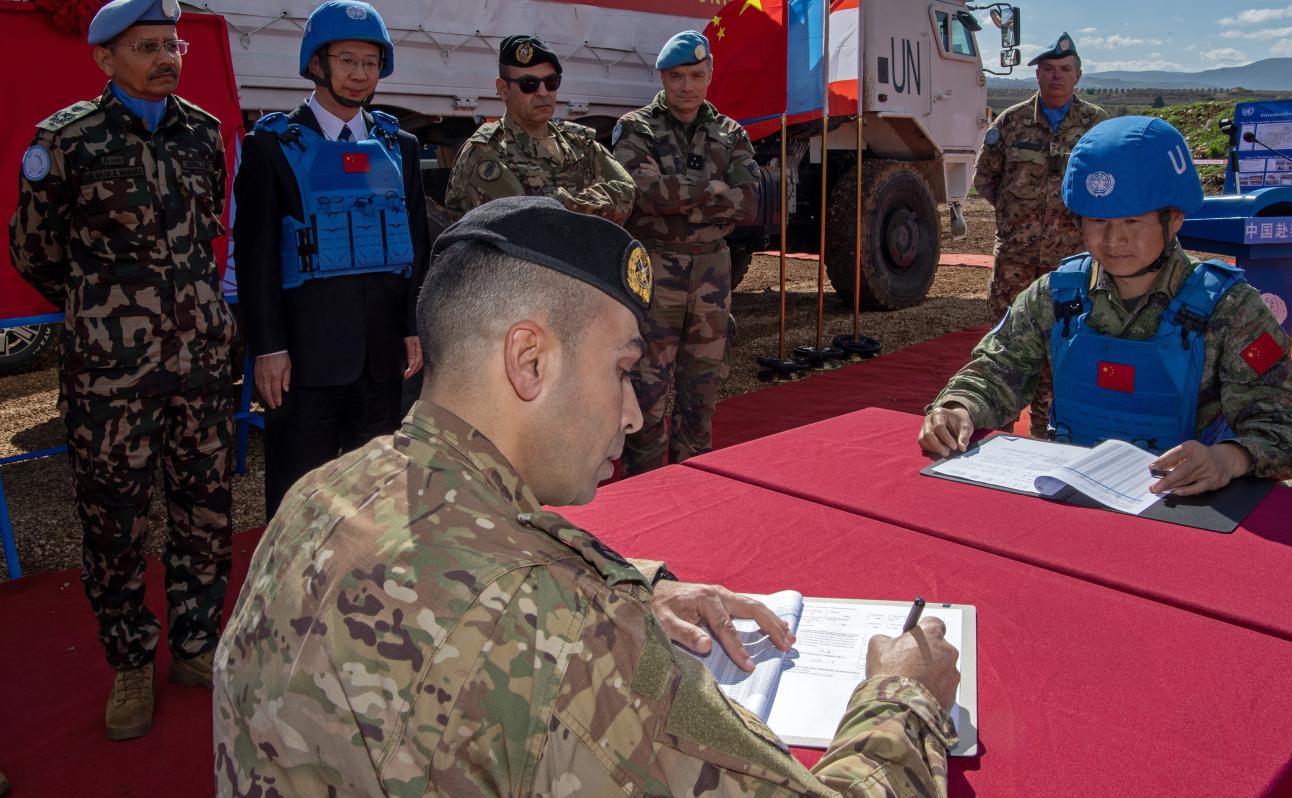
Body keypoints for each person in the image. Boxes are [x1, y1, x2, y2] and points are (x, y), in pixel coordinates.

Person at [213, 196, 961, 796]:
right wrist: (903, 696)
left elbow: (447, 570)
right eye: (621, 371)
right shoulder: (569, 639)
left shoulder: (320, 496)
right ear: (529, 359)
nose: (634, 415)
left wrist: (638, 589)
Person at [8, 0, 234, 740]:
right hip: (111, 377)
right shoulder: (66, 142)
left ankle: (197, 647)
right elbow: (34, 252)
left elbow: (207, 239)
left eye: (174, 44)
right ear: (105, 58)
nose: (168, 57)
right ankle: (132, 661)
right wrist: (103, 310)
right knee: (116, 525)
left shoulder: (203, 133)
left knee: (205, 513)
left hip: (200, 366)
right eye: (147, 46)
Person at [922, 116, 1292, 495]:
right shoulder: (1056, 295)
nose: (1113, 242)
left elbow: (1289, 432)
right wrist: (958, 409)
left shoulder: (1229, 308)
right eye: (1097, 222)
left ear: (1174, 218)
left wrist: (1228, 458)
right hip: (1070, 491)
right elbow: (996, 371)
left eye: (1132, 222)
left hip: (1186, 503)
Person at [233, 0, 429, 520]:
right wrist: (268, 348)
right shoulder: (271, 146)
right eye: (347, 59)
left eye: (370, 62)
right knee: (301, 494)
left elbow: (416, 240)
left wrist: (412, 325)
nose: (360, 73)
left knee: (378, 489)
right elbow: (255, 259)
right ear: (317, 64)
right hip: (304, 360)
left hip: (381, 357)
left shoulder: (399, 145)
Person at [613, 30, 760, 474]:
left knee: (702, 392)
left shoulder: (730, 132)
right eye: (677, 76)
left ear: (710, 74)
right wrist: (712, 191)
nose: (687, 86)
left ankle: (693, 490)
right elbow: (644, 193)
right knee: (648, 393)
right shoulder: (637, 128)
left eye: (696, 75)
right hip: (657, 268)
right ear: (662, 77)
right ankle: (644, 492)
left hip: (713, 272)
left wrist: (682, 202)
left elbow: (750, 201)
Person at [973, 32, 1109, 437]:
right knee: (1006, 340)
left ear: (1078, 76)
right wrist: (1020, 219)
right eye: (1048, 69)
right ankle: (997, 426)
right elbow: (986, 179)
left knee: (1064, 343)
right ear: (1036, 75)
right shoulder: (1011, 123)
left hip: (1071, 260)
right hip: (1015, 259)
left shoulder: (1097, 126)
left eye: (1064, 70)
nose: (1056, 77)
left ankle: (1051, 430)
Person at [444, 35, 635, 223]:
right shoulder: (485, 152)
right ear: (503, 89)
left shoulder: (580, 143)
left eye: (551, 83)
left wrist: (561, 203)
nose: (543, 92)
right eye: (529, 84)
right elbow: (528, 221)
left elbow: (627, 191)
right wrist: (597, 207)